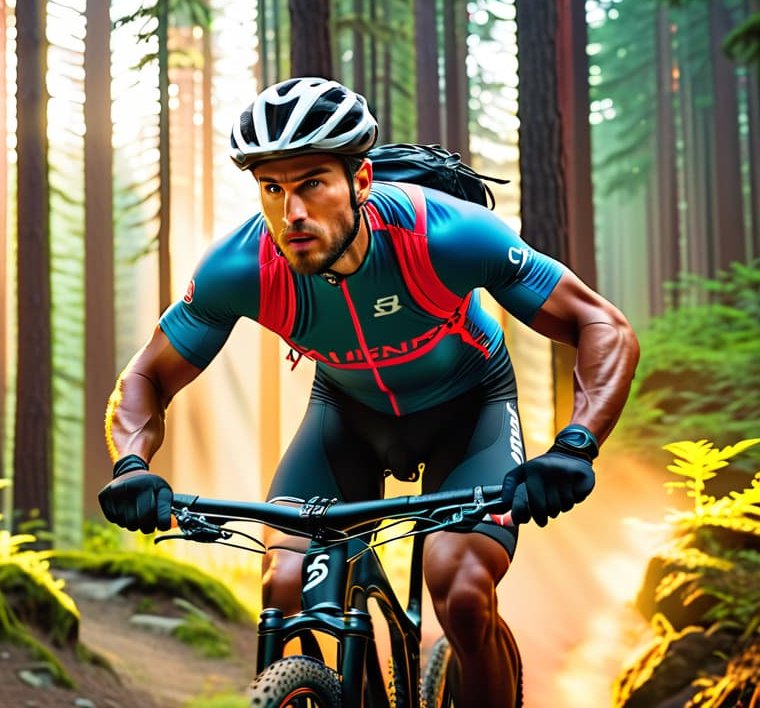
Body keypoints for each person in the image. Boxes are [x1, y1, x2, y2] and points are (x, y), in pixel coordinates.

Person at [97, 77, 639, 707]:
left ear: (360, 180)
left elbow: (602, 325)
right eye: (272, 189)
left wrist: (575, 445)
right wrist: (132, 466)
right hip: (347, 417)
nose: (290, 212)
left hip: (469, 411)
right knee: (283, 584)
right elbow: (145, 376)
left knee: (460, 589)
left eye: (311, 183)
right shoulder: (241, 267)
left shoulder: (444, 236)